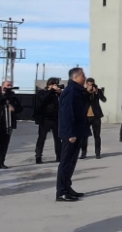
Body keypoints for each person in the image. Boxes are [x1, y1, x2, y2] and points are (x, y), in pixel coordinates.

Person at [56, 68, 90, 202]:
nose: (85, 77)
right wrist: (70, 133)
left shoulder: (78, 91)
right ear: (75, 77)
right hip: (71, 133)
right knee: (66, 162)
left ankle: (67, 187)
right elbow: (67, 114)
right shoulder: (70, 92)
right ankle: (61, 191)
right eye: (83, 75)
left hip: (78, 131)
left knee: (72, 162)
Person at [34, 78, 62, 164]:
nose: (56, 86)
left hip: (56, 119)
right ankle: (38, 156)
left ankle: (59, 156)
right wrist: (51, 91)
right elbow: (43, 99)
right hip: (45, 119)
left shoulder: (56, 94)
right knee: (41, 138)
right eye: (54, 85)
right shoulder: (42, 92)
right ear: (49, 85)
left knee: (58, 139)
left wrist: (60, 94)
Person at [83, 78, 107, 159]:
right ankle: (83, 153)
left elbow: (104, 100)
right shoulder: (83, 91)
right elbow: (81, 99)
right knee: (84, 136)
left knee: (97, 135)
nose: (91, 86)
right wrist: (87, 91)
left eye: (92, 84)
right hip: (85, 117)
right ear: (86, 84)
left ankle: (98, 153)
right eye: (89, 84)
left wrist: (96, 92)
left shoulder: (98, 91)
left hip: (96, 116)